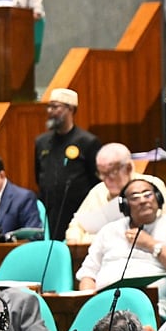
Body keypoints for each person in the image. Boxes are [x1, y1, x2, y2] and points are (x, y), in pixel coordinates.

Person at [75, 177, 166, 319]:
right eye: (134, 197)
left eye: (148, 194)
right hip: (105, 311)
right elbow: (87, 274)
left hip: (151, 311)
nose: (143, 200)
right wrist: (91, 305)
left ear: (158, 198)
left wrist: (153, 245)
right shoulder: (109, 230)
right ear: (125, 205)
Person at [65, 143, 166, 244]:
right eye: (102, 174)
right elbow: (76, 226)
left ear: (128, 168)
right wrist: (74, 240)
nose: (106, 180)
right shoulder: (98, 191)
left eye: (111, 173)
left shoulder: (151, 186)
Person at [34, 88, 100, 241]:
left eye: (55, 107)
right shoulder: (42, 142)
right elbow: (38, 176)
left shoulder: (88, 142)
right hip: (50, 212)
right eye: (48, 107)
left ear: (70, 109)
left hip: (78, 212)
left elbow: (95, 181)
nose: (50, 111)